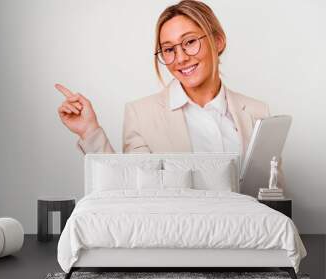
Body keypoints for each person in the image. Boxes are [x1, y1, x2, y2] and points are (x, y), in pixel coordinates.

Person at [55, 0, 270, 160]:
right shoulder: (141, 115)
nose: (181, 58)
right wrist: (90, 132)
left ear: (218, 41)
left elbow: (273, 200)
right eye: (169, 49)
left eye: (190, 41)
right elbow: (128, 190)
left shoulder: (258, 113)